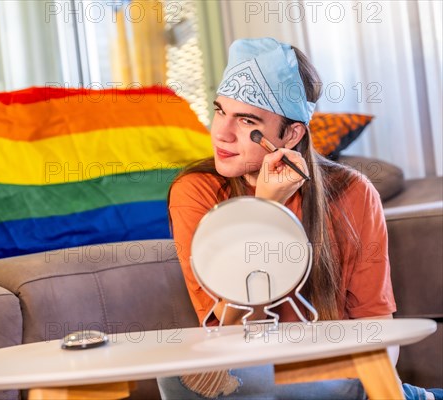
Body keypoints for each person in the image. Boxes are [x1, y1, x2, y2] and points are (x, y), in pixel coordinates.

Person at [157, 37, 439, 400]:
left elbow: (378, 335)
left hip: (343, 381)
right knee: (178, 381)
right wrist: (266, 209)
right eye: (220, 111)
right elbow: (230, 332)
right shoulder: (196, 190)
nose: (221, 133)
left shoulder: (354, 192)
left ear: (290, 134)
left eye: (246, 121)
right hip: (249, 376)